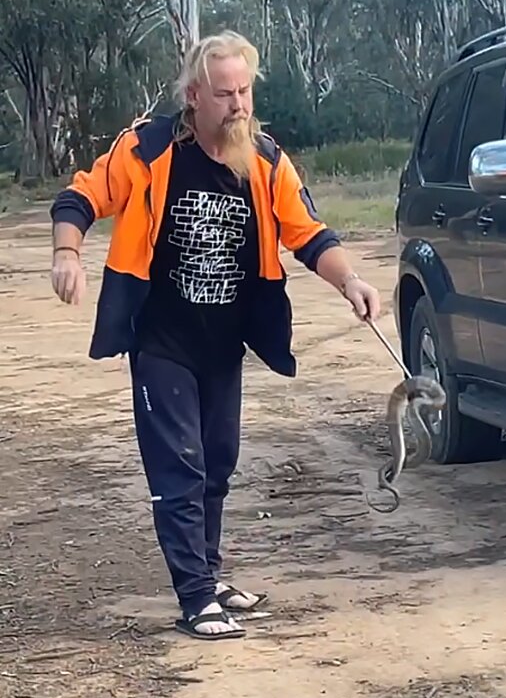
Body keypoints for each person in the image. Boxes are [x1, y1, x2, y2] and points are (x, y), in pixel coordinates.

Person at [47, 31, 381, 640]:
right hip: (161, 340)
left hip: (224, 342)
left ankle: (207, 571)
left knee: (217, 465)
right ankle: (196, 596)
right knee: (180, 467)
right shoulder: (147, 148)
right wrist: (68, 252)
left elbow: (307, 234)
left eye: (246, 91)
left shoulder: (265, 159)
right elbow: (81, 195)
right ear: (195, 95)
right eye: (226, 93)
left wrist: (350, 282)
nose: (239, 105)